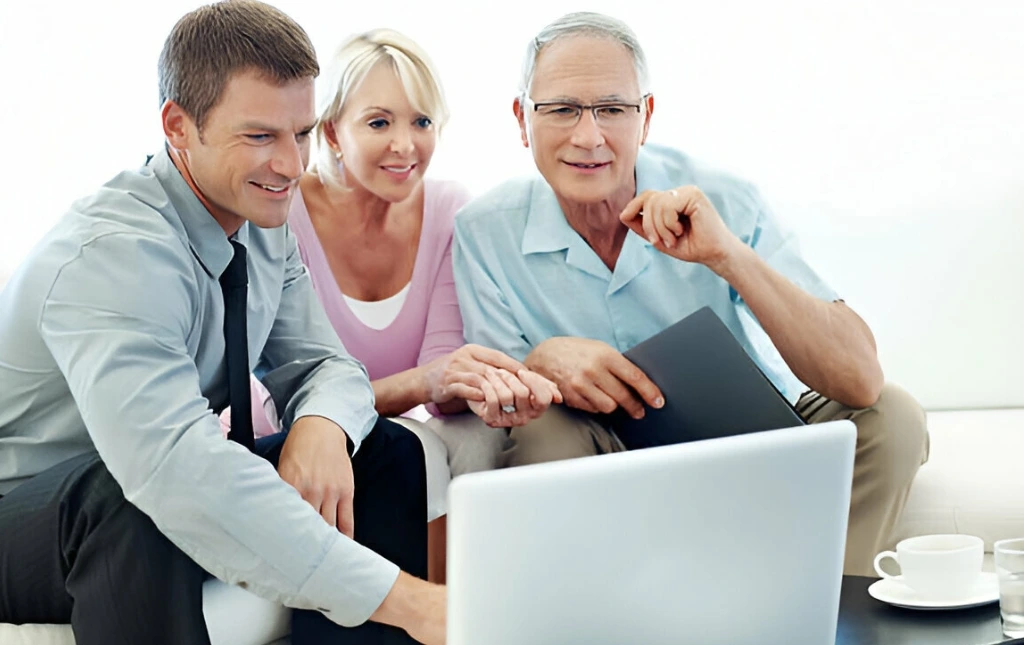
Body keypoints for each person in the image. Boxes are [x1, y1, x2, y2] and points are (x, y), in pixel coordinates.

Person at [0, 2, 444, 644]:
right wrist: (414, 603)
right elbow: (175, 471)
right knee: (127, 505)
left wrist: (319, 424)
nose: (293, 165)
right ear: (178, 127)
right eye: (261, 136)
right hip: (26, 511)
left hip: (136, 482)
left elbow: (325, 365)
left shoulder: (263, 222)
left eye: (303, 132)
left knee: (383, 451)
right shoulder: (112, 257)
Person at [451, 11, 929, 577]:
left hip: (752, 454)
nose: (588, 136)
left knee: (892, 416)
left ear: (646, 116)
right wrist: (540, 362)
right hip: (607, 466)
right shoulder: (483, 230)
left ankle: (819, 613)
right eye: (561, 109)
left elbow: (860, 378)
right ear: (522, 119)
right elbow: (500, 398)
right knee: (541, 428)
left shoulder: (722, 197)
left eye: (612, 109)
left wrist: (728, 256)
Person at [225, 28, 561, 583]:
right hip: (294, 434)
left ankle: (468, 610)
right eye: (379, 122)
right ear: (332, 131)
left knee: (469, 439)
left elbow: (447, 384)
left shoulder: (451, 210)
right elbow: (273, 402)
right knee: (413, 446)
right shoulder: (281, 215)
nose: (406, 146)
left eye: (421, 122)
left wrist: (491, 385)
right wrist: (423, 384)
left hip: (393, 440)